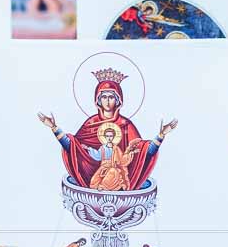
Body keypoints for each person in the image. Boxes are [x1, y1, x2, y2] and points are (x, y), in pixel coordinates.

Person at [38, 69, 175, 188]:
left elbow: (144, 152)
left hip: (116, 173)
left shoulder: (126, 124)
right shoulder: (91, 123)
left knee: (113, 173)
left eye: (111, 97)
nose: (107, 101)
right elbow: (73, 147)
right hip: (100, 172)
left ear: (118, 100)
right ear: (98, 100)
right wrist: (54, 127)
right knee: (97, 181)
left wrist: (161, 135)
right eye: (104, 97)